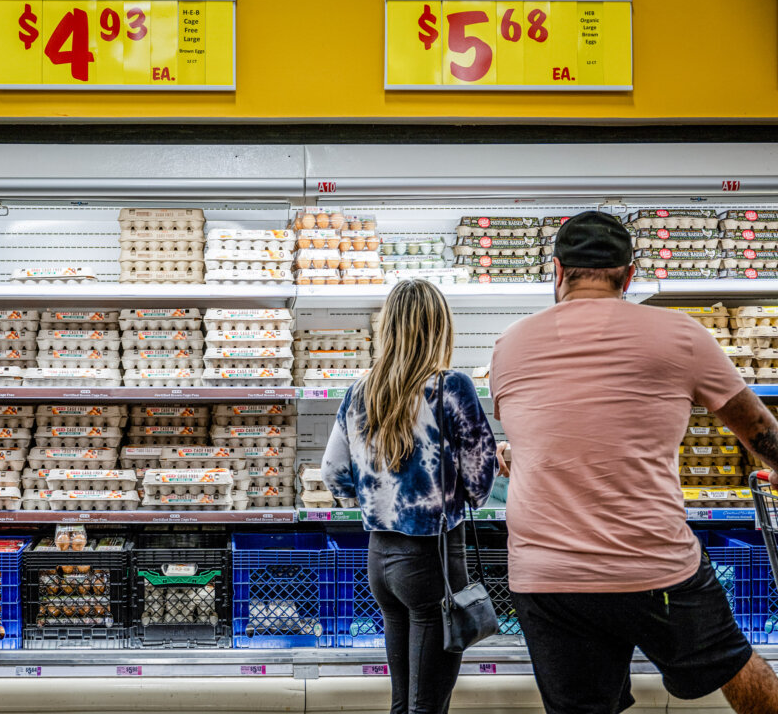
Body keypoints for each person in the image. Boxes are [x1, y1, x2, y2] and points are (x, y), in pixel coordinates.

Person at [490, 211, 778, 714]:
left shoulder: (508, 346)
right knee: (734, 665)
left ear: (557, 271)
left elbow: (543, 437)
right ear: (630, 274)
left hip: (547, 575)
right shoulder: (681, 334)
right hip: (651, 563)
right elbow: (758, 430)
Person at [322, 278, 498, 714]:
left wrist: (374, 495)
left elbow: (334, 473)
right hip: (431, 559)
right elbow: (479, 481)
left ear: (389, 328)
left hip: (380, 559)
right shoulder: (451, 387)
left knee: (404, 702)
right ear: (440, 326)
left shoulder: (360, 390)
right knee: (428, 705)